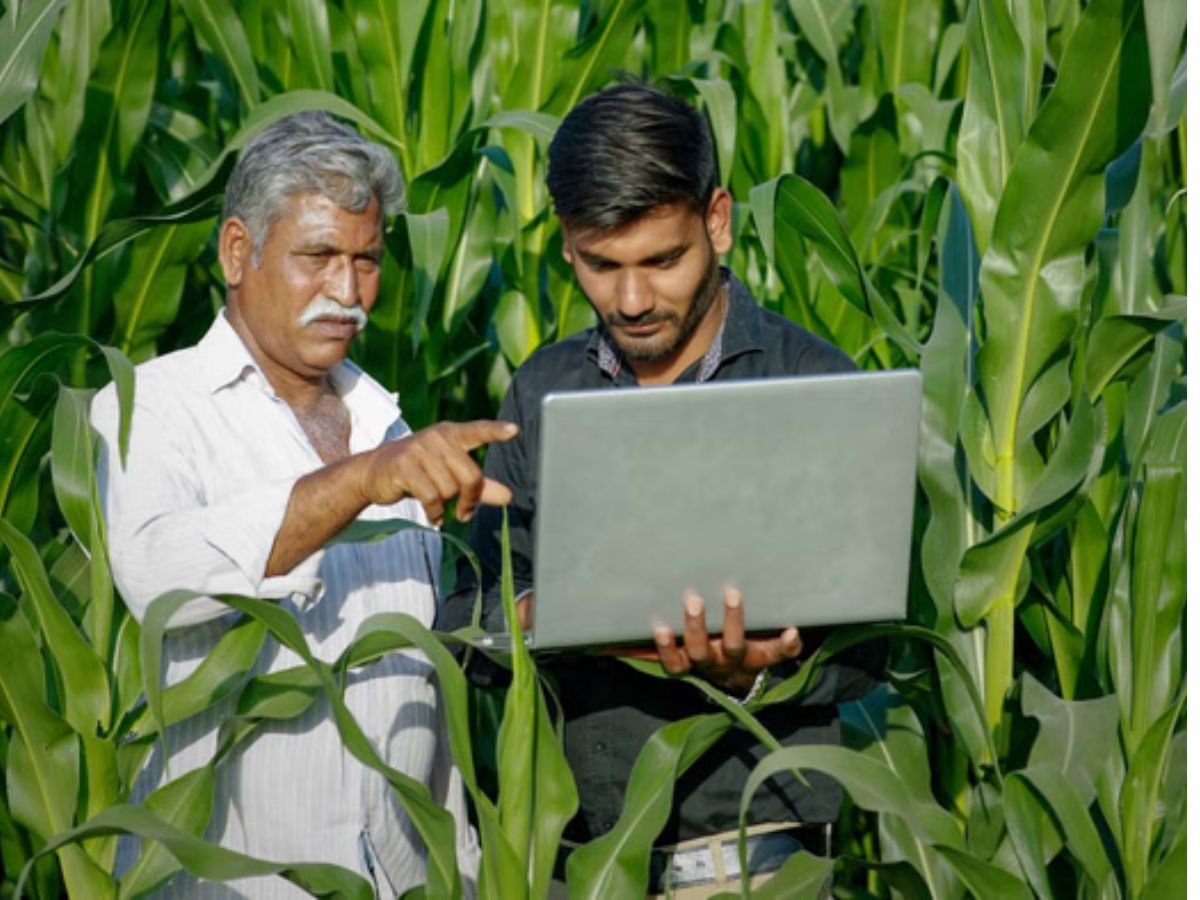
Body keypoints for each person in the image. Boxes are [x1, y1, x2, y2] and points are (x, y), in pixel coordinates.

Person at [444, 84, 878, 896]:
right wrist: (546, 615)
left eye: (662, 261)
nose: (632, 300)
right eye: (600, 265)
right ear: (566, 243)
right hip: (580, 864)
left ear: (717, 221)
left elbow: (873, 651)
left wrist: (753, 675)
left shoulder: (815, 386)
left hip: (755, 863)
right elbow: (467, 628)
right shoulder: (540, 392)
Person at [91, 111, 516, 898]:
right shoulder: (150, 406)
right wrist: (361, 481)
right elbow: (157, 578)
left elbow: (426, 683)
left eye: (367, 260)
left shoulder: (386, 421)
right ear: (237, 251)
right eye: (317, 257)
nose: (348, 293)